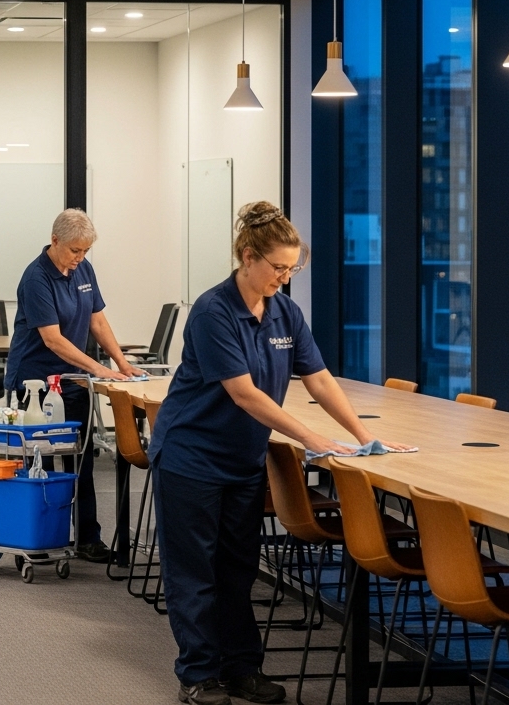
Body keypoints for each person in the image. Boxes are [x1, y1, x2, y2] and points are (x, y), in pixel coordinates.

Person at [147, 201, 411, 705]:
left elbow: (318, 378)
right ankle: (198, 675)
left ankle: (242, 669)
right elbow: (244, 393)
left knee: (237, 569)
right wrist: (311, 440)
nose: (285, 279)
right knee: (195, 572)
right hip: (191, 458)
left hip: (243, 461)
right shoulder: (212, 311)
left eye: (293, 269)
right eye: (278, 268)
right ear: (248, 257)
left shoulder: (286, 312)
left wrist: (360, 435)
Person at [4, 208, 144, 564]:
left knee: (79, 460)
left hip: (72, 381)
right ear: (55, 241)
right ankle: (38, 537)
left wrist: (121, 363)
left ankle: (87, 538)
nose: (79, 258)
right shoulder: (36, 278)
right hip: (36, 383)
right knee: (43, 462)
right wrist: (99, 368)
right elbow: (52, 339)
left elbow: (97, 320)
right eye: (74, 251)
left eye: (84, 252)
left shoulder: (83, 269)